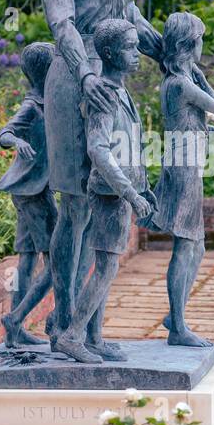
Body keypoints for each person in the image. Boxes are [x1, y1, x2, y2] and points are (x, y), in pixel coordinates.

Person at [50, 19, 154, 364]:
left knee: (107, 265)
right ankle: (72, 335)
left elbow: (131, 147)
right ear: (108, 53)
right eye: (129, 47)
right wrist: (130, 193)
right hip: (109, 194)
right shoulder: (104, 95)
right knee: (107, 267)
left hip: (120, 192)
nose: (137, 53)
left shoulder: (122, 92)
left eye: (137, 45)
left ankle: (93, 337)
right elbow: (98, 149)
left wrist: (144, 187)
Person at [150, 12, 214, 347]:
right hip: (184, 172)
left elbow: (184, 124)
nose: (203, 46)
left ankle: (176, 313)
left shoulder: (175, 83)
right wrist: (201, 76)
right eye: (200, 40)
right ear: (189, 44)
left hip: (185, 164)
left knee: (197, 245)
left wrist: (209, 131)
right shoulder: (181, 84)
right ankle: (178, 327)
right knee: (186, 244)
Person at [0, 43, 57, 348]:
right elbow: (4, 134)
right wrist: (17, 142)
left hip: (32, 188)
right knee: (58, 256)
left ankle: (14, 331)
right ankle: (18, 318)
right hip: (30, 191)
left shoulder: (47, 103)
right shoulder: (32, 107)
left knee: (28, 258)